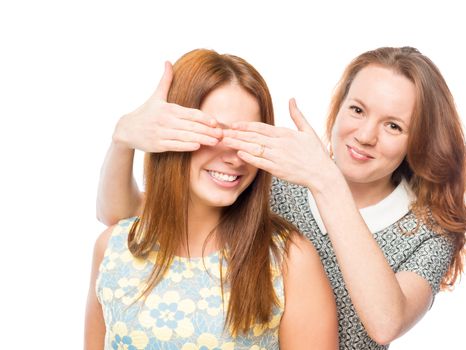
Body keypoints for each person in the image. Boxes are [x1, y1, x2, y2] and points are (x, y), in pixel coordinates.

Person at [95, 47, 466, 349]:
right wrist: (123, 137)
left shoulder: (430, 233)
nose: (365, 135)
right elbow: (126, 218)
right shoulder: (279, 179)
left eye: (394, 126)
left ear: (419, 139)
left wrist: (326, 182)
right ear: (339, 106)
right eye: (358, 110)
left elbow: (385, 323)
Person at [85, 49, 339, 350]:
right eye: (214, 132)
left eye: (247, 138)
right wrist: (122, 135)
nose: (233, 157)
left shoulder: (288, 260)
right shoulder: (112, 249)